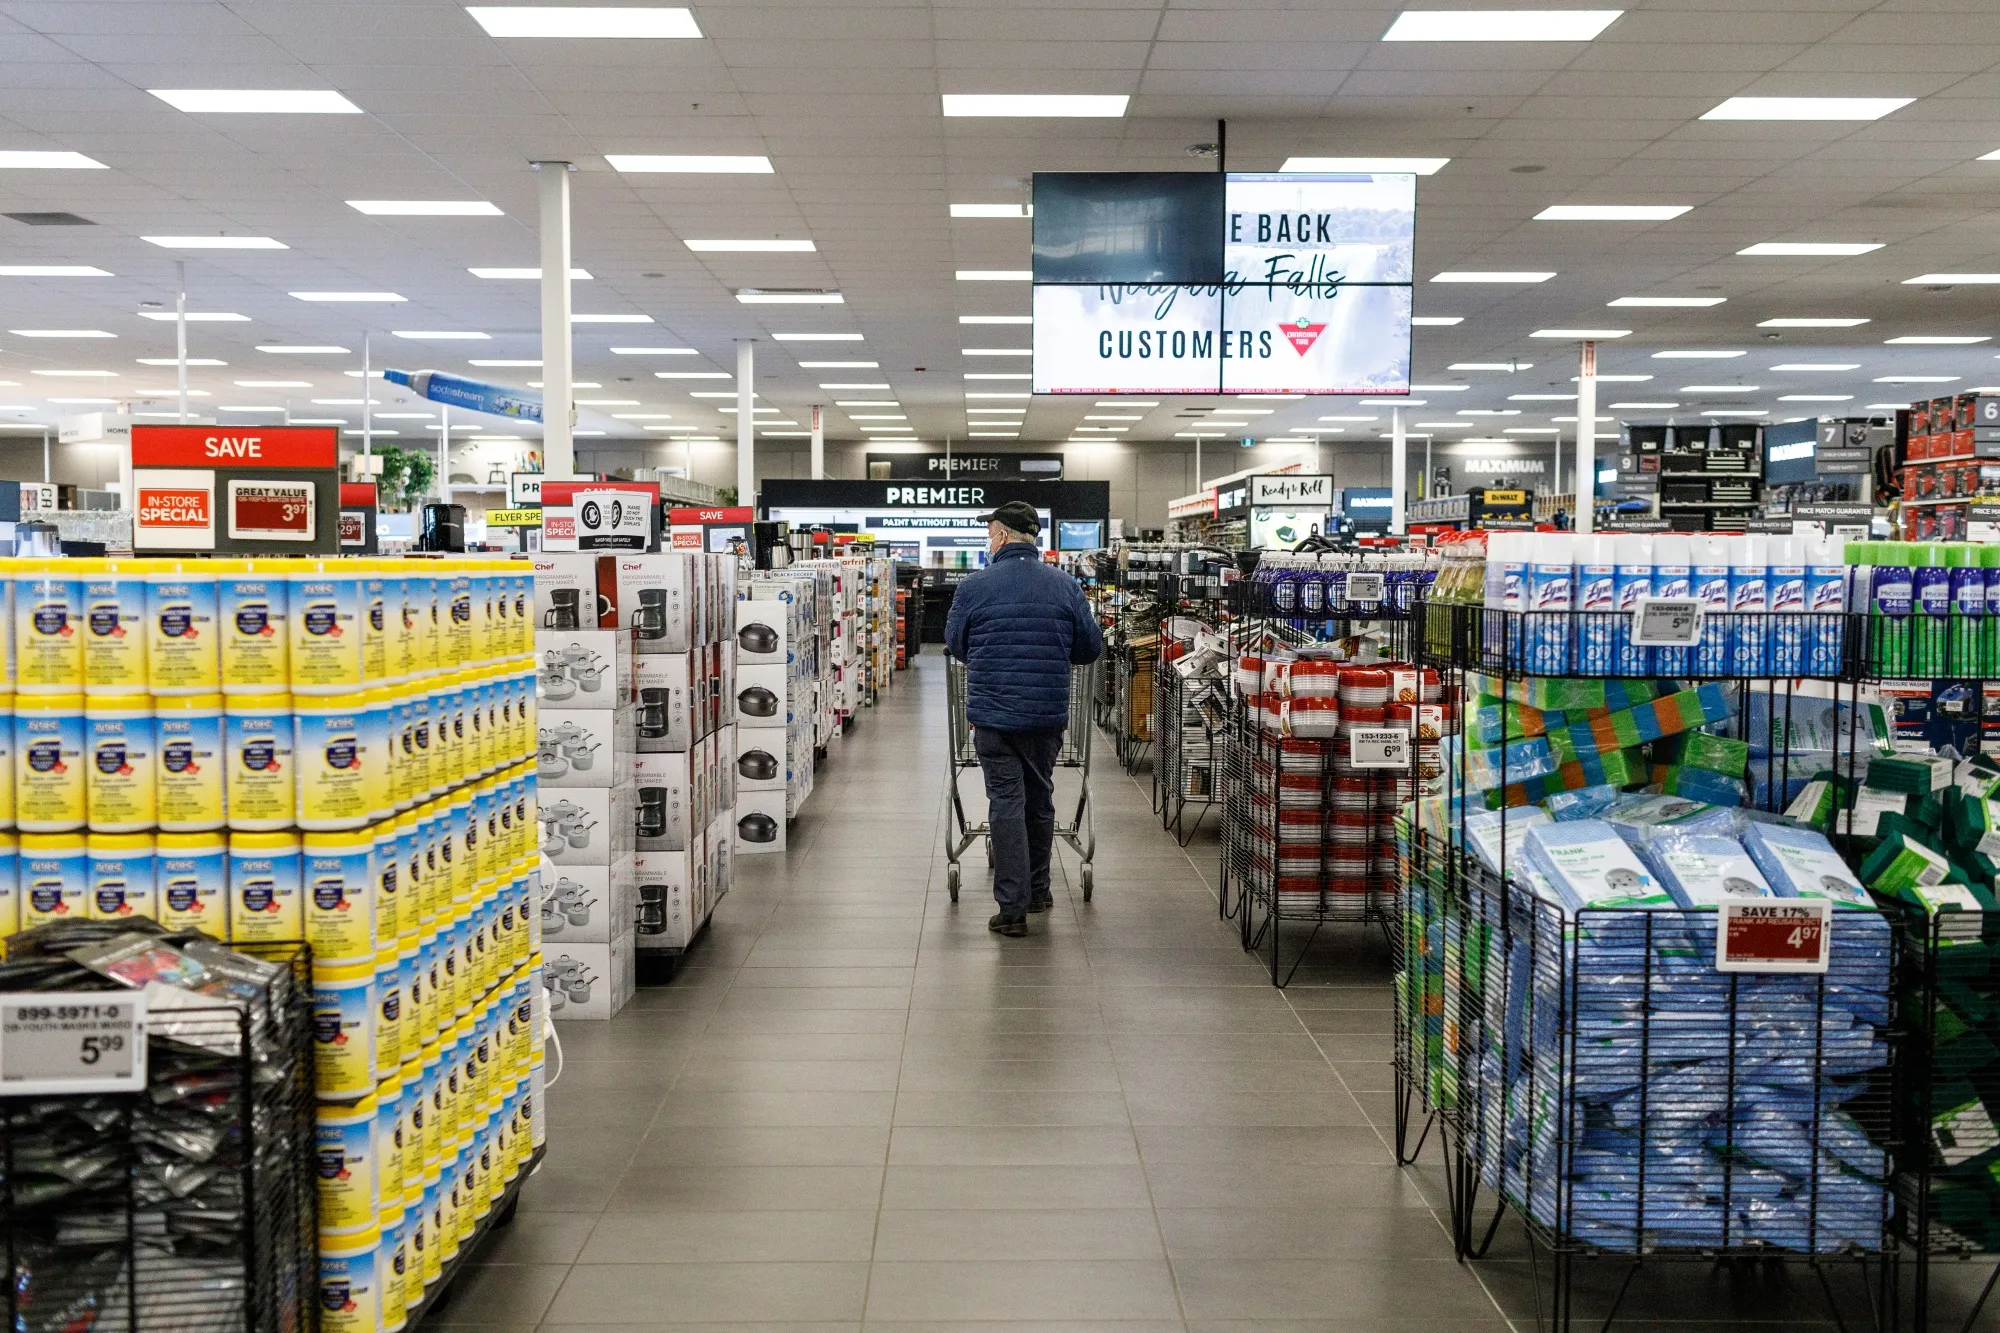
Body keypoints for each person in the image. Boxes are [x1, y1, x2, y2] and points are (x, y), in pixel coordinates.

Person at [945, 501, 1105, 936]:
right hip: (1045, 716)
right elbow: (1090, 648)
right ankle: (1037, 891)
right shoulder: (1066, 586)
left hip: (993, 716)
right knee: (1039, 796)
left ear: (1001, 536)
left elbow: (955, 644)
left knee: (1005, 802)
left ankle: (1012, 909)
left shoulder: (973, 587)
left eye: (989, 534)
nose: (988, 541)